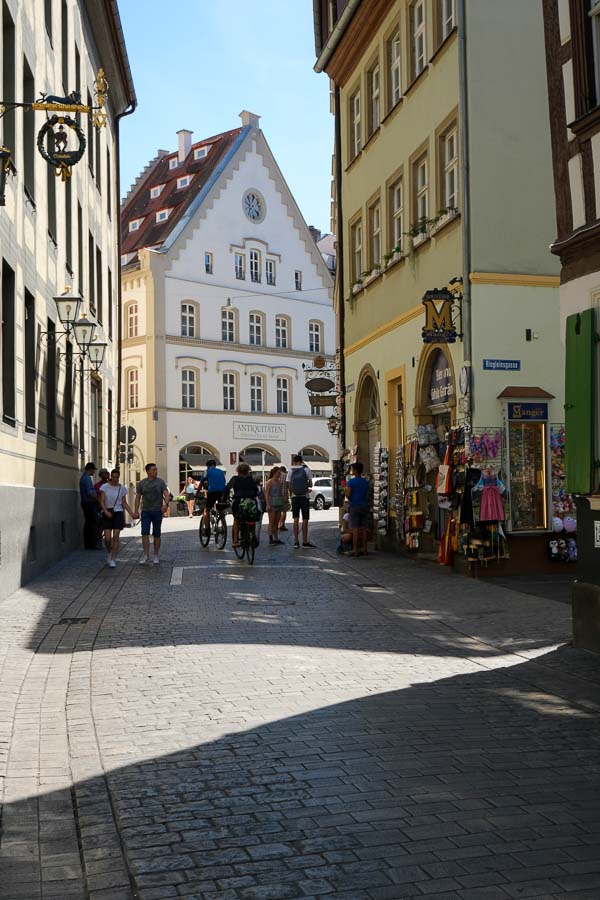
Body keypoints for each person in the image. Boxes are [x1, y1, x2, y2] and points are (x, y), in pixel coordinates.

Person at [133, 462, 170, 565]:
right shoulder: (142, 483)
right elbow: (137, 497)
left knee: (157, 534)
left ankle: (156, 555)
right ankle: (145, 555)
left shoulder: (160, 482)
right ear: (148, 471)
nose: (156, 471)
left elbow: (166, 494)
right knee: (145, 533)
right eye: (153, 470)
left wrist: (165, 504)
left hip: (157, 511)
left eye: (156, 469)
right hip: (146, 511)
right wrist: (136, 511)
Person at [98, 469, 135, 568]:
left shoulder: (122, 488)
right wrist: (105, 511)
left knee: (115, 537)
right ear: (111, 476)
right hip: (107, 512)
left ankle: (113, 558)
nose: (115, 479)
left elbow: (124, 503)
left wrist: (132, 514)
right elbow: (101, 501)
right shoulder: (104, 487)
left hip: (118, 513)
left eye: (117, 477)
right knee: (107, 538)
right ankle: (109, 551)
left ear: (118, 477)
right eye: (113, 477)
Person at [224, 462, 258, 549]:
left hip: (239, 501)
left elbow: (227, 488)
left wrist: (224, 499)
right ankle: (253, 534)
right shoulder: (251, 479)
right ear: (247, 471)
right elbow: (256, 490)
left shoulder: (235, 479)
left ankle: (235, 541)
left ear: (238, 471)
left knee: (236, 520)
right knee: (251, 517)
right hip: (250, 501)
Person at [286, 454, 315, 549]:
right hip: (304, 496)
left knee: (295, 518)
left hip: (295, 497)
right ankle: (305, 541)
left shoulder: (290, 470)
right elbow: (311, 484)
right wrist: (305, 486)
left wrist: (292, 494)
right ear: (301, 461)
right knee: (305, 519)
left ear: (294, 461)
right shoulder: (306, 469)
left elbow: (289, 485)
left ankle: (296, 541)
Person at [344, 461, 371, 556]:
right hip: (364, 505)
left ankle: (355, 550)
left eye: (352, 469)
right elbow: (367, 495)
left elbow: (348, 495)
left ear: (355, 471)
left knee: (355, 528)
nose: (351, 471)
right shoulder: (365, 482)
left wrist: (347, 494)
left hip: (354, 506)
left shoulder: (351, 482)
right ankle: (365, 549)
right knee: (364, 528)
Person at [201, 460, 227, 530]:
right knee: (221, 511)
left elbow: (201, 482)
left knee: (206, 510)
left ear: (208, 466)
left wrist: (197, 494)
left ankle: (207, 529)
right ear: (215, 465)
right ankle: (224, 528)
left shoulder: (207, 471)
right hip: (222, 493)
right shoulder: (221, 472)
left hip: (212, 492)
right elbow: (224, 481)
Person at [79, 462, 99, 550]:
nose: (94, 472)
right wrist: (97, 498)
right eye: (93, 470)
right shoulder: (86, 479)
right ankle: (91, 544)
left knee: (89, 523)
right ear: (90, 469)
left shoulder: (85, 477)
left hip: (87, 503)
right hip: (88, 503)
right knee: (92, 523)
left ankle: (89, 544)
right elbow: (90, 492)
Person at [264, 467, 285, 545]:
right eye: (278, 473)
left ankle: (276, 538)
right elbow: (266, 494)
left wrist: (283, 500)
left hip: (278, 503)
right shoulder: (270, 482)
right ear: (274, 473)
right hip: (272, 503)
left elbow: (281, 493)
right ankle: (270, 538)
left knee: (277, 522)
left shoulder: (279, 482)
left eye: (280, 473)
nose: (279, 474)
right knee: (271, 522)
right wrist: (268, 504)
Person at [278, 466, 290, 532]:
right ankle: (282, 525)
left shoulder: (278, 475)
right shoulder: (286, 475)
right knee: (284, 511)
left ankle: (278, 524)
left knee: (279, 511)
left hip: (278, 496)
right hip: (285, 496)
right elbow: (289, 486)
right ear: (285, 470)